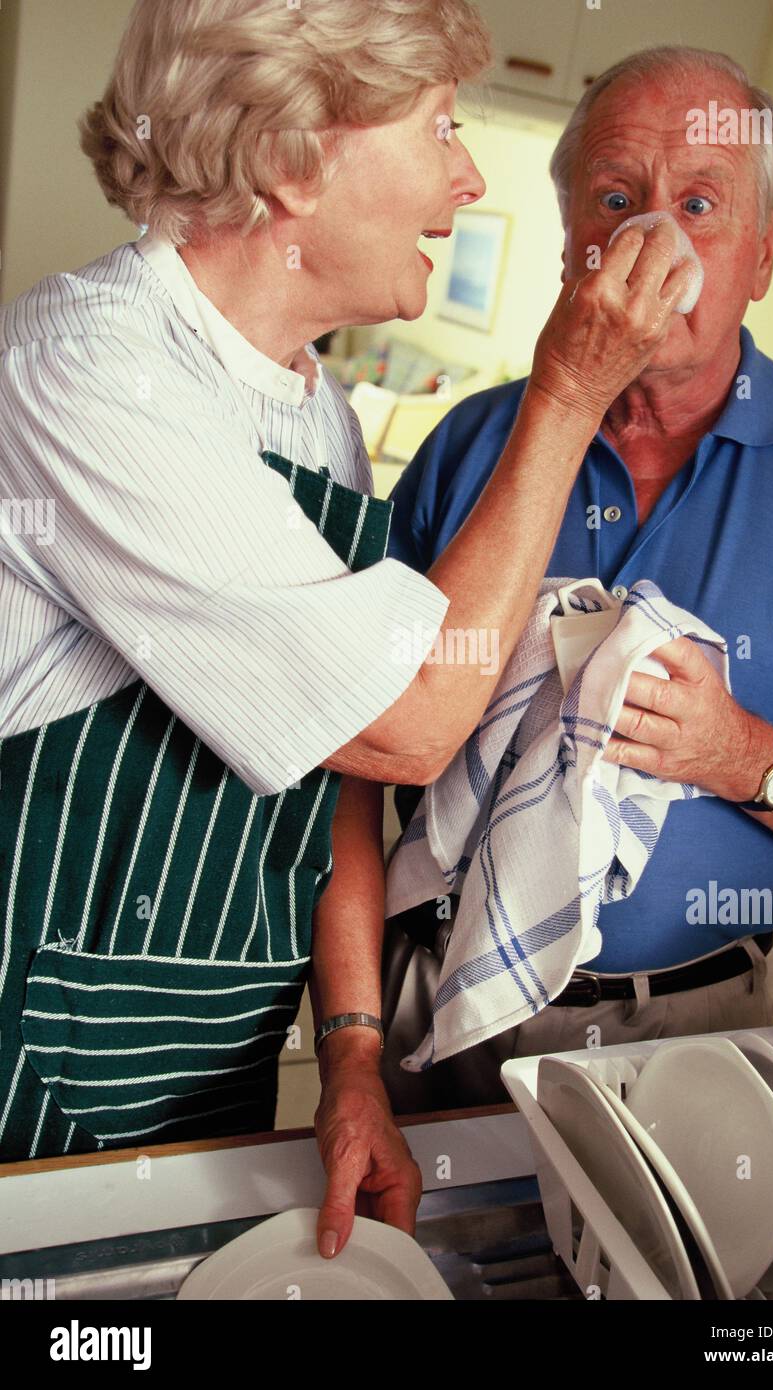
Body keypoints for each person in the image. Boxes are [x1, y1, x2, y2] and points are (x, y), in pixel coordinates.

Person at [0, 0, 693, 1261]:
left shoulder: (312, 408)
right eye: (440, 128)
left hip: (212, 1049)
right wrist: (568, 389)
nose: (469, 175)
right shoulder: (87, 370)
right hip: (34, 1054)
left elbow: (342, 782)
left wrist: (354, 1055)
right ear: (290, 161)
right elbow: (412, 722)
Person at [379, 45, 773, 1113]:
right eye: (616, 199)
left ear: (766, 250)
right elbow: (358, 753)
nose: (653, 238)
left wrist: (748, 758)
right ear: (573, 239)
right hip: (450, 1011)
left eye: (700, 204)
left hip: (710, 1031)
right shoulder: (465, 450)